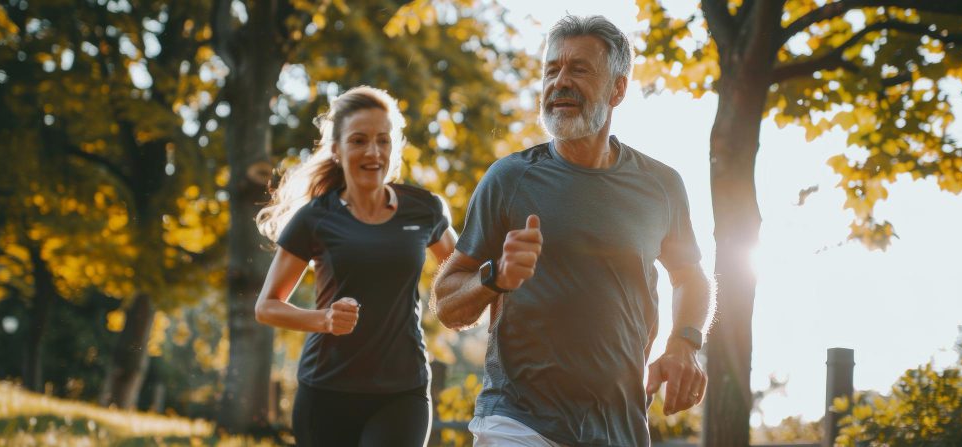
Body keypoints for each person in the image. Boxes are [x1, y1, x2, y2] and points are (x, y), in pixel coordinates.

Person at [432, 15, 714, 446]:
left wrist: (685, 343)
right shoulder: (509, 179)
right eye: (552, 70)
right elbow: (448, 301)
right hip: (518, 421)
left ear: (618, 88)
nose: (560, 82)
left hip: (620, 425)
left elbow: (690, 277)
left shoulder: (661, 185)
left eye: (579, 69)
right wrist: (496, 276)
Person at [254, 85, 456, 447]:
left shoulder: (425, 209)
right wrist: (324, 320)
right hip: (327, 391)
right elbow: (266, 306)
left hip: (403, 390)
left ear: (394, 147)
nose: (373, 152)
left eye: (383, 140)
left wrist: (501, 275)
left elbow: (462, 276)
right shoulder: (315, 218)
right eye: (359, 140)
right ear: (336, 150)